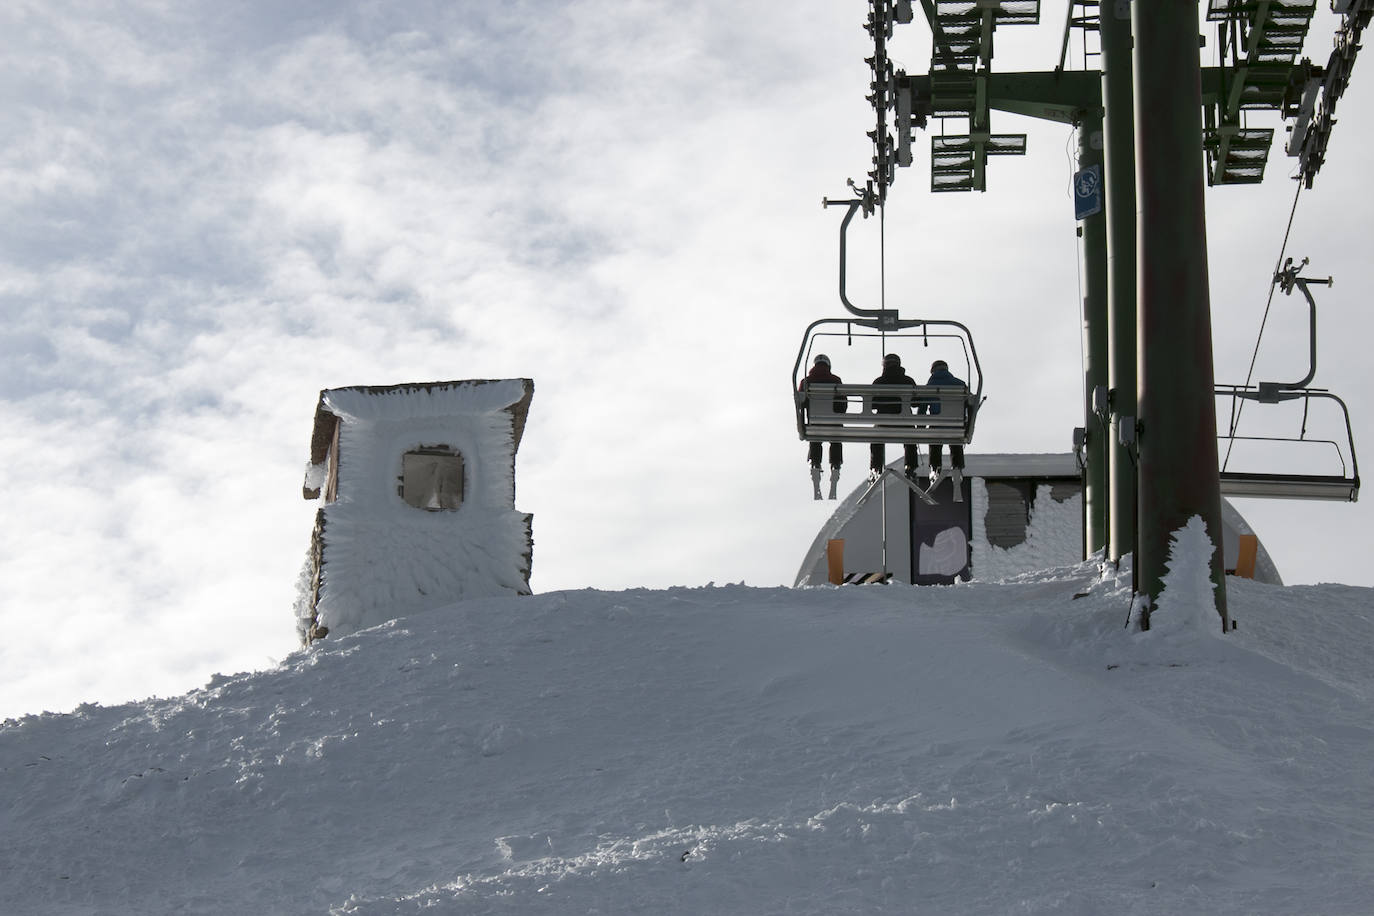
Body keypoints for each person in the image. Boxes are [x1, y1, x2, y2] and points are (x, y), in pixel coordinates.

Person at [799, 354, 844, 499]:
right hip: (834, 424)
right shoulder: (836, 381)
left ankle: (815, 466)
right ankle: (835, 466)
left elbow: (800, 402)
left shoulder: (806, 382)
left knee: (815, 440)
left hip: (815, 423)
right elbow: (843, 404)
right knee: (835, 439)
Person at [869, 353, 920, 478]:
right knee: (910, 439)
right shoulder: (908, 381)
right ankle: (910, 466)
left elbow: (872, 405)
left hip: (883, 422)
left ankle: (876, 466)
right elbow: (916, 403)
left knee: (876, 438)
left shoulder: (879, 382)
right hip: (905, 423)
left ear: (884, 366)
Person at [922, 359, 967, 481]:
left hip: (937, 424)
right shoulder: (960, 384)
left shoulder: (930, 386)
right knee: (955, 441)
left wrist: (920, 426)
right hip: (955, 424)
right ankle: (957, 467)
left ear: (933, 371)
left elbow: (922, 405)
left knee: (935, 441)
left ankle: (935, 467)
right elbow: (969, 404)